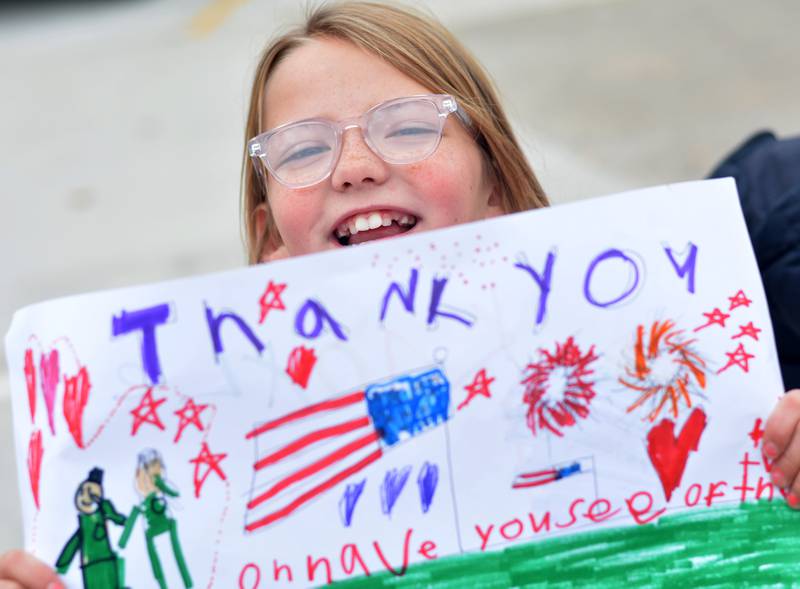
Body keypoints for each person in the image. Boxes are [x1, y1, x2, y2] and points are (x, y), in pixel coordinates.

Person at [0, 2, 797, 587]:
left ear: (498, 190)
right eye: (302, 149)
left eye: (409, 127)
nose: (352, 166)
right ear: (271, 237)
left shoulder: (724, 319)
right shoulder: (229, 492)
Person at [118, 450, 192, 589]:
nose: (151, 480)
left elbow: (175, 494)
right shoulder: (142, 505)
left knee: (177, 560)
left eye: (157, 474)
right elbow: (131, 523)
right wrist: (122, 542)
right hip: (153, 537)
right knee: (160, 568)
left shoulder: (161, 494)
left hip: (169, 530)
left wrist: (161, 484)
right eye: (148, 476)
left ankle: (186, 584)